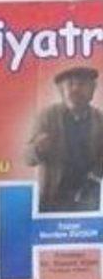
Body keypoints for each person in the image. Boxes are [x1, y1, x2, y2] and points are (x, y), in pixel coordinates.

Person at [25, 65, 103, 212]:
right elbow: (27, 158)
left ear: (93, 89)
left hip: (89, 198)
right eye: (70, 84)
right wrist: (38, 149)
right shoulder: (47, 116)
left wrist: (94, 177)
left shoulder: (100, 120)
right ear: (61, 90)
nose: (75, 89)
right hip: (52, 198)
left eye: (82, 84)